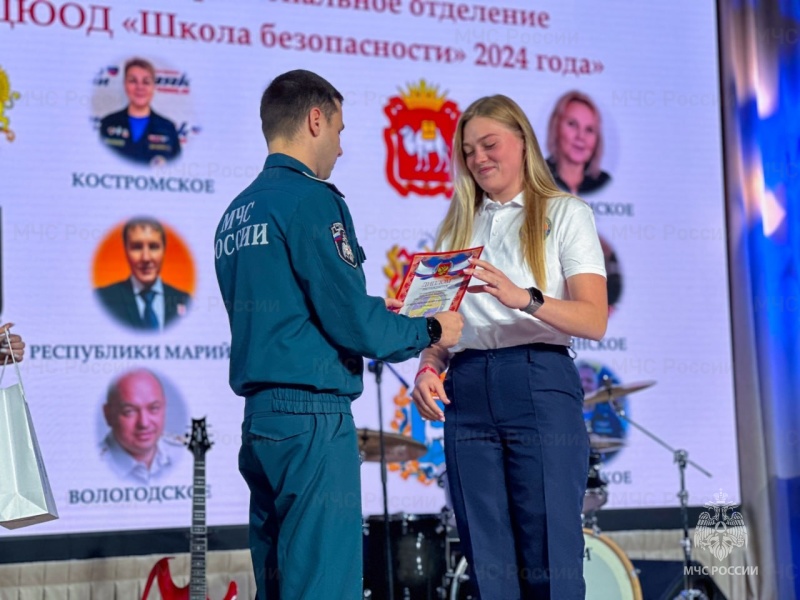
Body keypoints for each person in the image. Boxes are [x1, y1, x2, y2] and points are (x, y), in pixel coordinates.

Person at [213, 69, 463, 600]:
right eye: (341, 131)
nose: (342, 148)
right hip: (312, 421)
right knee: (324, 589)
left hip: (261, 423)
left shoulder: (234, 213)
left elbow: (304, 312)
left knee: (278, 589)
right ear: (315, 118)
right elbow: (351, 320)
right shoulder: (311, 200)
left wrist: (373, 316)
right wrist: (432, 327)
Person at [412, 95, 608, 600]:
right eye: (469, 150)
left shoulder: (567, 213)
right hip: (468, 389)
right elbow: (443, 326)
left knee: (550, 562)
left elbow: (593, 318)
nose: (478, 158)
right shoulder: (455, 226)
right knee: (488, 565)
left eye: (490, 144)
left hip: (538, 382)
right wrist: (428, 365)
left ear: (523, 140)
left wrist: (527, 299)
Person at [96, 217, 190, 332]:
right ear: (126, 250)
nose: (146, 257)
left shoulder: (186, 301)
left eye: (153, 247)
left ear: (164, 249)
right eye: (137, 247)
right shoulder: (103, 299)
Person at [99, 368, 183, 483]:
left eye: (154, 408)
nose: (144, 423)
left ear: (164, 407)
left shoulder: (185, 453)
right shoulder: (93, 466)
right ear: (108, 415)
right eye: (129, 411)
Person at [99, 57, 181, 165]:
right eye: (133, 81)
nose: (139, 87)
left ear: (153, 87)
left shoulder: (167, 128)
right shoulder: (108, 123)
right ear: (125, 85)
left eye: (146, 82)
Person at [545, 90, 611, 196]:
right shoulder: (535, 176)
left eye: (589, 130)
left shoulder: (604, 182)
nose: (581, 136)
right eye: (572, 124)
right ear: (556, 127)